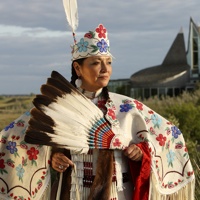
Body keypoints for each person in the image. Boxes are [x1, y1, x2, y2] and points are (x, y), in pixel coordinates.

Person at [47, 24, 195, 200]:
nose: (105, 69)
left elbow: (171, 135)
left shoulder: (127, 107)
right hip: (74, 192)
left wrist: (141, 152)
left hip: (120, 192)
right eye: (96, 63)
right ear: (78, 69)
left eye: (108, 62)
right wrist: (54, 157)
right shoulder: (61, 106)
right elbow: (37, 145)